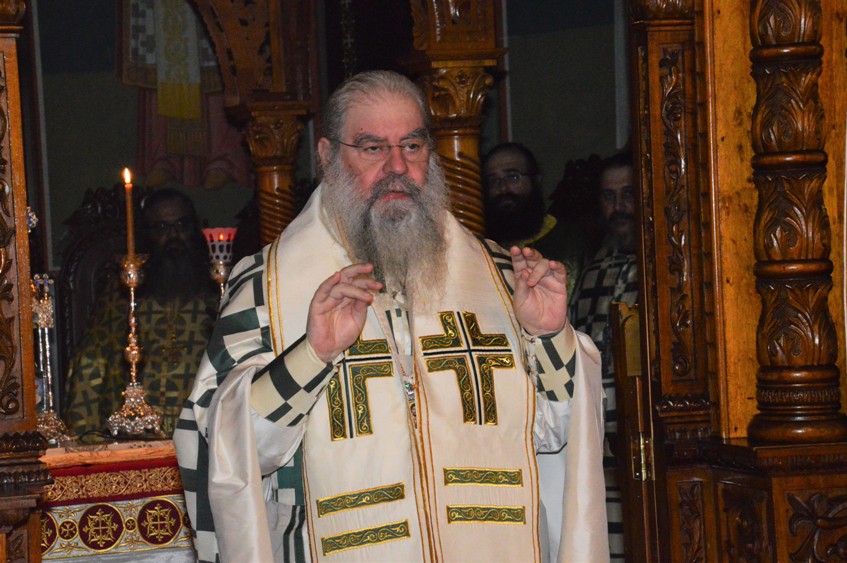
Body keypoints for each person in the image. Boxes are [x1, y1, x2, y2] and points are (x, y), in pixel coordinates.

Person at [175, 70, 608, 563]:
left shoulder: (501, 276)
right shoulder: (264, 287)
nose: (397, 166)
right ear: (327, 157)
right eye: (372, 148)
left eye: (413, 146)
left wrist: (548, 335)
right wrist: (312, 355)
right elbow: (227, 451)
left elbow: (558, 436)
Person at [64, 188, 218, 437]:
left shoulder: (217, 293)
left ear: (195, 229)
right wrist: (85, 437)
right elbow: (89, 364)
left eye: (181, 224)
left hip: (204, 431)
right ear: (148, 235)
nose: (174, 235)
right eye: (162, 227)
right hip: (134, 435)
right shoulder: (121, 295)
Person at [568, 151, 638, 562]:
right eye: (609, 197)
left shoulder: (665, 270)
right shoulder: (592, 272)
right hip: (599, 440)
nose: (619, 207)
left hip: (644, 434)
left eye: (628, 195)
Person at [482, 142, 596, 298]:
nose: (503, 188)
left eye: (513, 177)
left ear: (536, 180)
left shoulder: (571, 241)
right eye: (494, 181)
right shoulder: (482, 246)